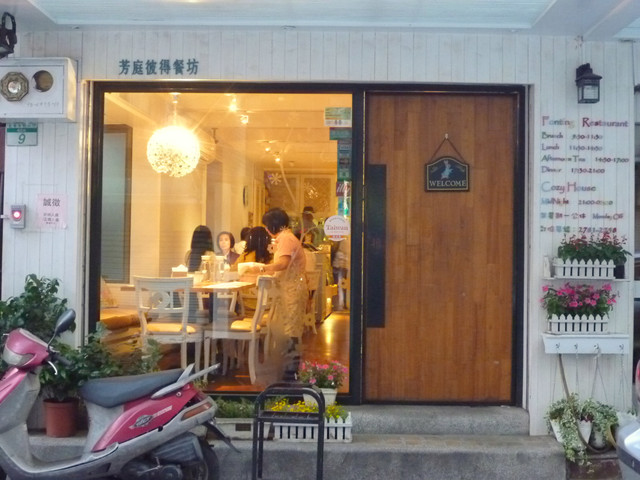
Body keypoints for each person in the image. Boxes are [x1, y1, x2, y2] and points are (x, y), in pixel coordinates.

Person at [246, 208, 307, 372]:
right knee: (289, 328)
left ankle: (290, 371)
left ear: (273, 225)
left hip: (291, 289)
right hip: (291, 288)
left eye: (267, 225)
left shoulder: (286, 239)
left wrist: (261, 268)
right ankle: (289, 369)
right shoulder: (286, 237)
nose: (266, 229)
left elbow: (283, 264)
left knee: (290, 329)